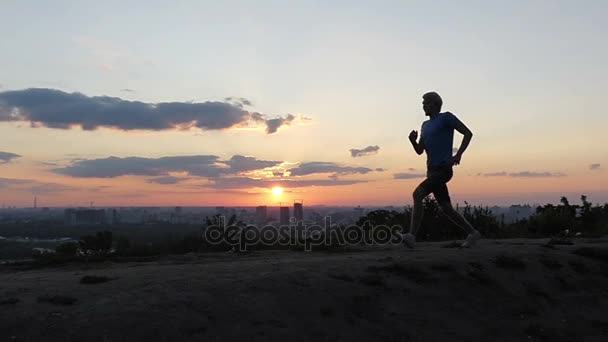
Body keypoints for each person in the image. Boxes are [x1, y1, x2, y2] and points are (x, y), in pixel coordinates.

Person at [402, 92, 481, 248]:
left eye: (426, 103)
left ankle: (411, 236)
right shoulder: (424, 126)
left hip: (443, 170)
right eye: (423, 103)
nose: (423, 106)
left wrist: (458, 155)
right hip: (431, 171)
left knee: (417, 194)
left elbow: (468, 133)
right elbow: (420, 150)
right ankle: (473, 233)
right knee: (446, 208)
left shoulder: (446, 117)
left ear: (435, 104)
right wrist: (412, 141)